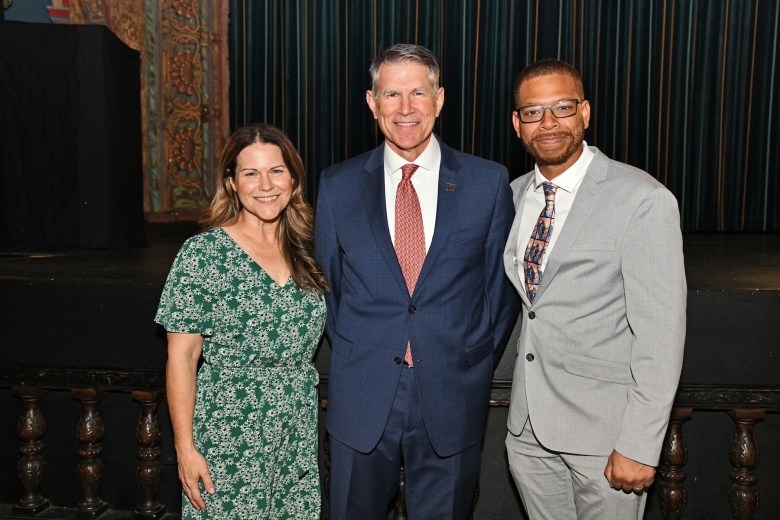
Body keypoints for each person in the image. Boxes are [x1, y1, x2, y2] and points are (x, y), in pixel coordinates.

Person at [314, 43, 519, 519]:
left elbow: (499, 293)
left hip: (452, 393)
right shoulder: (338, 185)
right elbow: (330, 289)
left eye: (418, 93)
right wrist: (365, 347)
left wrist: (467, 363)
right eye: (392, 94)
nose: (405, 108)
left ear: (439, 99)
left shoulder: (487, 183)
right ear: (372, 102)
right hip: (362, 394)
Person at [502, 59, 686, 519]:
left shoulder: (642, 199)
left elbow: (661, 336)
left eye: (562, 107)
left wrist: (640, 444)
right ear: (517, 124)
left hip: (607, 439)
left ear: (584, 112)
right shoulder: (512, 196)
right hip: (527, 433)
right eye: (533, 112)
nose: (548, 122)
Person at [155, 123, 328, 519]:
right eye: (251, 173)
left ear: (293, 179)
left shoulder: (309, 248)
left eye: (276, 171)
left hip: (295, 430)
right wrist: (185, 449)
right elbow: (182, 358)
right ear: (232, 183)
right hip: (229, 432)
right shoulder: (203, 254)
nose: (265, 185)